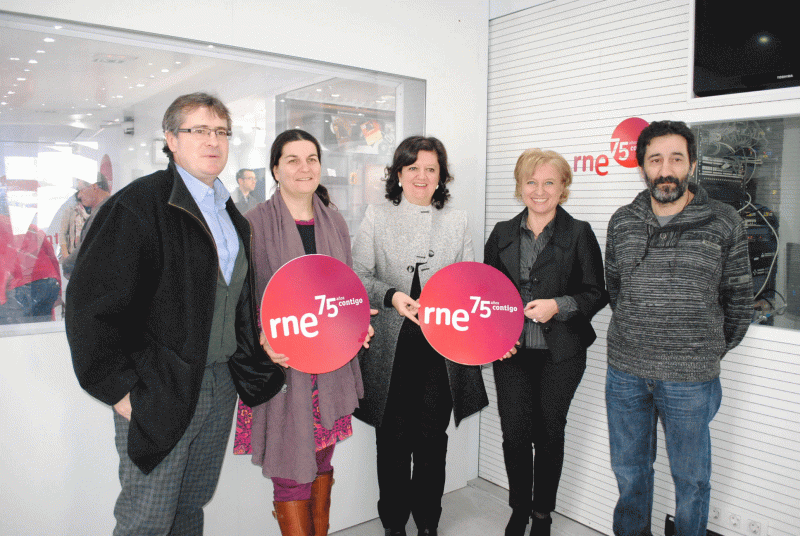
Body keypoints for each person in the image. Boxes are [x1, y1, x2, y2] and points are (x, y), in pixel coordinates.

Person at [65, 92, 284, 536]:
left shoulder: (232, 215)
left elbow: (232, 300)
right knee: (147, 516)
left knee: (191, 506)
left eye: (221, 131)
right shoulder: (137, 206)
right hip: (159, 385)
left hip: (220, 383)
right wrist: (120, 392)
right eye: (199, 130)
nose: (213, 141)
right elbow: (90, 308)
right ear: (171, 139)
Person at [604, 120, 753, 536]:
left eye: (675, 158)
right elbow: (616, 288)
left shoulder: (723, 221)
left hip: (690, 378)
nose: (665, 169)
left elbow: (739, 301)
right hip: (626, 374)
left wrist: (703, 349)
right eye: (655, 159)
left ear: (690, 164)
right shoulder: (622, 222)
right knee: (630, 473)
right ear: (642, 167)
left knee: (691, 481)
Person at [352, 135, 488, 536]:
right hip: (391, 350)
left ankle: (428, 523)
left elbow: (470, 285)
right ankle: (394, 524)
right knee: (392, 441)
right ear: (399, 173)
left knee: (432, 441)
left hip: (441, 352)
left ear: (441, 175)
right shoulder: (376, 216)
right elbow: (358, 276)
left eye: (431, 169)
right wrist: (392, 296)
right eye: (413, 168)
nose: (422, 176)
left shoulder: (457, 220)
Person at [234, 129, 367, 536]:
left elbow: (343, 289)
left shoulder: (336, 222)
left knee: (323, 462)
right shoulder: (253, 224)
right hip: (283, 367)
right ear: (275, 169)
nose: (303, 168)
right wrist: (259, 336)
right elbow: (240, 296)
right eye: (292, 159)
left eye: (311, 159)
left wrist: (356, 325)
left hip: (328, 366)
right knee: (292, 468)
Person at [484, 149, 608, 536]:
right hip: (511, 353)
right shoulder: (502, 232)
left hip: (562, 354)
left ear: (563, 187)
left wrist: (559, 304)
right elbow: (484, 297)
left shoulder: (579, 233)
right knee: (514, 434)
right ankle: (519, 507)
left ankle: (542, 514)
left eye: (549, 182)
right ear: (520, 187)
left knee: (549, 433)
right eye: (531, 182)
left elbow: (596, 293)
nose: (540, 190)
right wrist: (492, 340)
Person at [60, 172, 111, 278]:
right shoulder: (113, 207)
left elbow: (84, 251)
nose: (79, 195)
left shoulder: (100, 214)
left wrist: (67, 264)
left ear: (94, 187)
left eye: (82, 190)